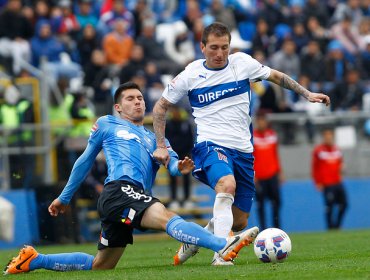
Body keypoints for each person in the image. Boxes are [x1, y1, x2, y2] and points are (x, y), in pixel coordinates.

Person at [4, 82, 258, 275]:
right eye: (130, 99)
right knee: (167, 217)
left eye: (139, 98)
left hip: (131, 198)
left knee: (101, 265)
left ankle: (35, 259)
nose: (137, 102)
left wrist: (179, 167)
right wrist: (64, 197)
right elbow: (85, 160)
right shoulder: (106, 124)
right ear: (118, 107)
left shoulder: (157, 139)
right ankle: (220, 244)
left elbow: (171, 167)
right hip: (119, 190)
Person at [152, 22, 330, 266]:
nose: (219, 54)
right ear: (202, 47)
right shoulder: (190, 74)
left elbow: (276, 76)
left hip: (243, 151)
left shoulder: (242, 63)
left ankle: (196, 239)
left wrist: (306, 94)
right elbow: (160, 107)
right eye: (213, 48)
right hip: (210, 144)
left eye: (224, 47)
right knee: (227, 184)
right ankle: (221, 254)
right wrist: (161, 145)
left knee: (239, 222)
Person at [311, 127, 347, 230]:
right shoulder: (318, 151)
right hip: (327, 183)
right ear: (323, 138)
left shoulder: (337, 149)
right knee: (329, 206)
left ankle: (337, 225)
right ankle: (330, 227)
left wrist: (342, 167)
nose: (328, 139)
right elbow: (315, 167)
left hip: (338, 182)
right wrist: (317, 182)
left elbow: (341, 162)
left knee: (344, 204)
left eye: (330, 137)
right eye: (326, 137)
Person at [253, 111, 283, 230]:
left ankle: (277, 228)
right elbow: (250, 157)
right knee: (261, 205)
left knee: (276, 202)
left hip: (273, 174)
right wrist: (253, 175)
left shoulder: (272, 135)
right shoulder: (252, 137)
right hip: (259, 177)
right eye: (259, 121)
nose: (261, 123)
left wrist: (280, 172)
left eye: (263, 120)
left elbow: (275, 154)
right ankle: (263, 229)